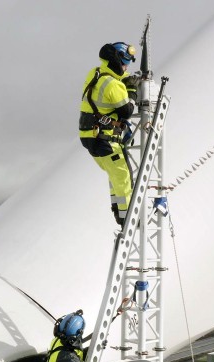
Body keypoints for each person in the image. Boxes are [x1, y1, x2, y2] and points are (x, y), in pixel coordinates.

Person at [78, 42, 141, 227]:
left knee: (115, 177)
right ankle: (127, 218)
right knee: (123, 178)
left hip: (90, 137)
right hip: (106, 140)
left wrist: (126, 79)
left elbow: (113, 81)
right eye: (124, 63)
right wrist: (132, 91)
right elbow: (126, 111)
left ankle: (118, 211)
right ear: (115, 60)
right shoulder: (113, 85)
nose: (126, 67)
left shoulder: (96, 73)